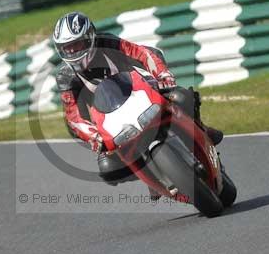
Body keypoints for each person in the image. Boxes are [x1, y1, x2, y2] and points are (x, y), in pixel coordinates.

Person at [52, 11, 223, 189]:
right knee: (108, 169)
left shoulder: (109, 43)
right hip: (107, 118)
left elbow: (142, 53)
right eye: (67, 47)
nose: (72, 51)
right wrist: (93, 136)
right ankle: (151, 174)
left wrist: (162, 74)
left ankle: (200, 129)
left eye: (77, 44)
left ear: (90, 37)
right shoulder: (65, 77)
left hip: (139, 91)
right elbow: (73, 116)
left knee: (181, 97)